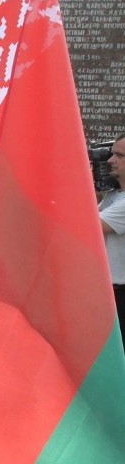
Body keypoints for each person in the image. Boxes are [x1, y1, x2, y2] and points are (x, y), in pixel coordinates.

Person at [99, 132, 125, 348]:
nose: (110, 160)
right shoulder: (113, 196)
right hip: (109, 288)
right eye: (111, 153)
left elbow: (87, 228)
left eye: (119, 155)